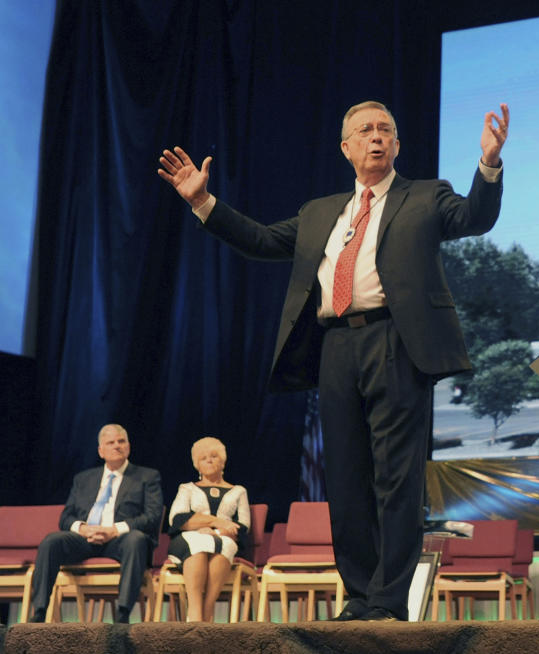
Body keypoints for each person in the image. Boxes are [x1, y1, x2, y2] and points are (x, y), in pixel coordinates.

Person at [158, 100, 509, 621]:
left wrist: (489, 165)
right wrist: (205, 202)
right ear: (346, 148)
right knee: (344, 480)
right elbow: (259, 240)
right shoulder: (322, 211)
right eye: (365, 130)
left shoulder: (425, 195)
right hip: (336, 347)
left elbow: (475, 218)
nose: (376, 137)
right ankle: (361, 597)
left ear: (396, 144)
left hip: (395, 340)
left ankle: (389, 601)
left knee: (395, 478)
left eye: (385, 130)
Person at [29, 424, 163, 623]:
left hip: (121, 540)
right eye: (111, 442)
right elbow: (65, 518)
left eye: (121, 441)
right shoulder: (83, 479)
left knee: (136, 539)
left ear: (129, 446)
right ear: (101, 451)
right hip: (85, 540)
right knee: (51, 541)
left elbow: (153, 516)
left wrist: (114, 530)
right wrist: (82, 529)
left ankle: (123, 615)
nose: (117, 446)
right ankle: (39, 613)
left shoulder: (147, 476)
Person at [167, 437, 251, 622]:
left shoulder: (239, 491)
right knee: (199, 543)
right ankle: (195, 613)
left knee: (224, 545)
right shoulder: (187, 488)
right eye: (204, 458)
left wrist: (217, 532)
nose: (209, 460)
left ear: (223, 461)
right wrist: (218, 522)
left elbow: (242, 526)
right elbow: (177, 520)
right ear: (197, 465)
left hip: (225, 539)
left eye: (214, 456)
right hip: (188, 538)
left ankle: (207, 610)